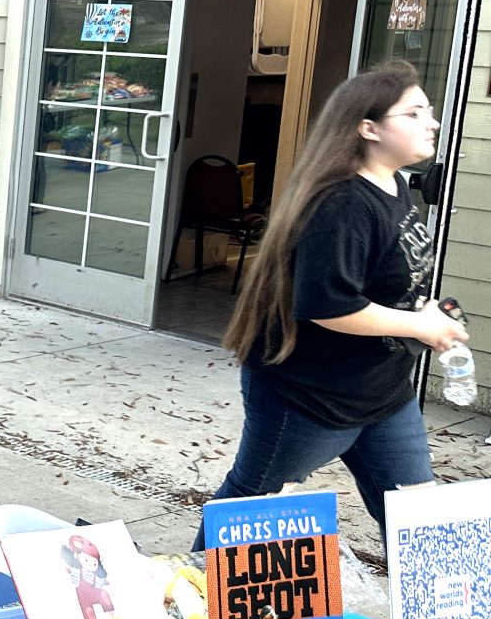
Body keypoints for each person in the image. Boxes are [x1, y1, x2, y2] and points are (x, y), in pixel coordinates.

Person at [196, 59, 465, 540]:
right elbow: (329, 304)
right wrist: (419, 326)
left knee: (422, 521)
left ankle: (449, 595)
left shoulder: (394, 185)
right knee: (252, 508)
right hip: (308, 397)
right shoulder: (343, 203)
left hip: (383, 394)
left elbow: (381, 280)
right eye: (415, 113)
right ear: (368, 128)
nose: (433, 123)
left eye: (429, 111)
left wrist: (424, 312)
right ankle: (191, 584)